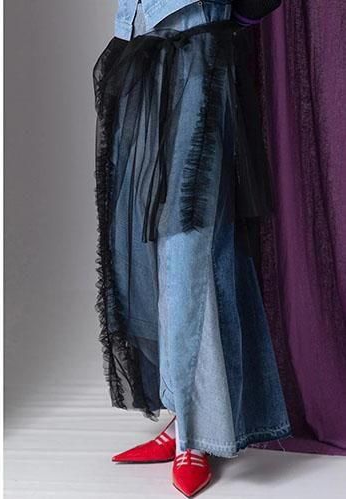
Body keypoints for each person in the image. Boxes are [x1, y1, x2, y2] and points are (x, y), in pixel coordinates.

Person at [92, 0, 291, 496]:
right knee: (148, 247)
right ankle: (184, 414)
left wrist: (232, 19)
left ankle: (197, 436)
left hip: (199, 56)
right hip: (142, 53)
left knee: (189, 248)